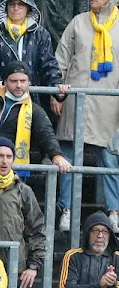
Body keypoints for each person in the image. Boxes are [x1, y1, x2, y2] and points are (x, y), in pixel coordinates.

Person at [56, 0, 119, 232]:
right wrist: (56, 92)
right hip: (76, 100)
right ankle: (67, 209)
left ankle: (114, 211)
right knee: (68, 159)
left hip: (110, 104)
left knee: (110, 158)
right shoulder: (78, 22)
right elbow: (60, 59)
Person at [0, 0, 63, 91]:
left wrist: (57, 83)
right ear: (6, 7)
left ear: (28, 8)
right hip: (2, 93)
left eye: (20, 5)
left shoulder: (41, 34)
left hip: (32, 94)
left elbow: (48, 62)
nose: (16, 8)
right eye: (12, 4)